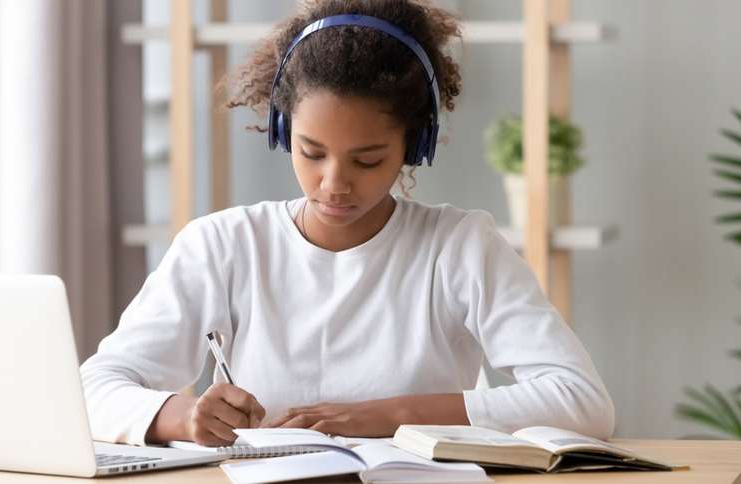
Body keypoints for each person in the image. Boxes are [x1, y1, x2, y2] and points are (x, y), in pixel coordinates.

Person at [80, 0, 615, 448]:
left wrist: (392, 415)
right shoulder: (222, 244)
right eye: (312, 153)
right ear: (283, 131)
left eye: (366, 160)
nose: (334, 184)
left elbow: (582, 401)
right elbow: (91, 389)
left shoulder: (460, 246)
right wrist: (182, 415)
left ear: (415, 145)